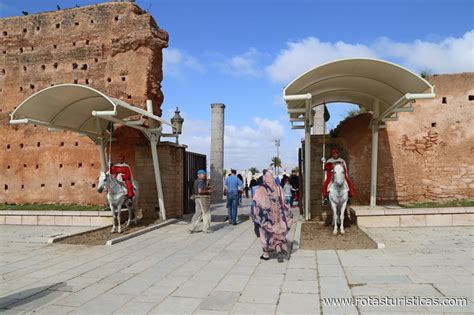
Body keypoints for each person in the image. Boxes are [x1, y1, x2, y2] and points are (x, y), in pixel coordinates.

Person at [251, 170, 293, 263]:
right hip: (277, 216)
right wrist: (287, 213)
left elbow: (256, 202)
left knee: (264, 234)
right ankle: (278, 250)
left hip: (265, 217)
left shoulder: (261, 188)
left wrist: (255, 215)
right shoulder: (278, 187)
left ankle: (266, 254)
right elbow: (284, 201)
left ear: (264, 178)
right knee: (277, 234)